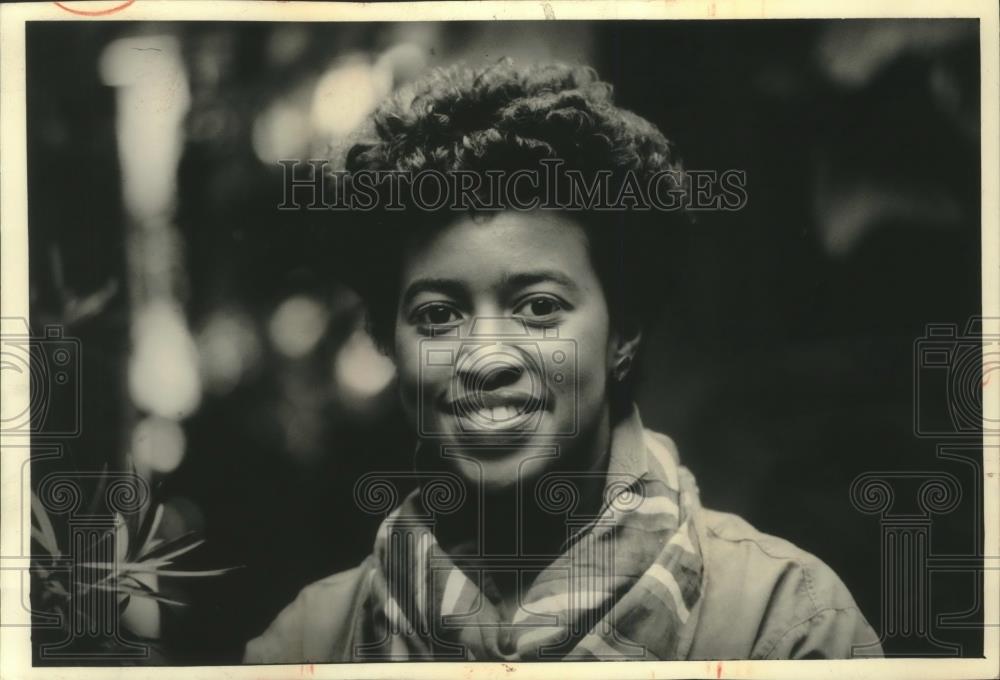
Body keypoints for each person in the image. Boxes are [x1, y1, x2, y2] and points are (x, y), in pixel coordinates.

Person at [244, 60, 882, 662]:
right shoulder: (304, 645)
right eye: (438, 315)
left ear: (622, 332)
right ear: (390, 344)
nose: (486, 357)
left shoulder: (785, 625)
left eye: (539, 307)